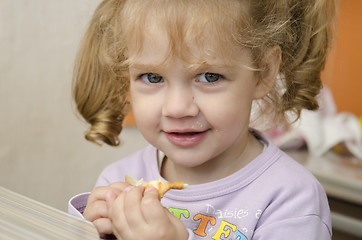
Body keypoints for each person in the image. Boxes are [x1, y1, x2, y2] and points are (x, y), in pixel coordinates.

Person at [69, 0, 336, 239]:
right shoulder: (116, 181)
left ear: (263, 73)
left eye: (209, 76)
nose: (177, 108)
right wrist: (88, 230)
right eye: (152, 77)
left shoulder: (291, 200)